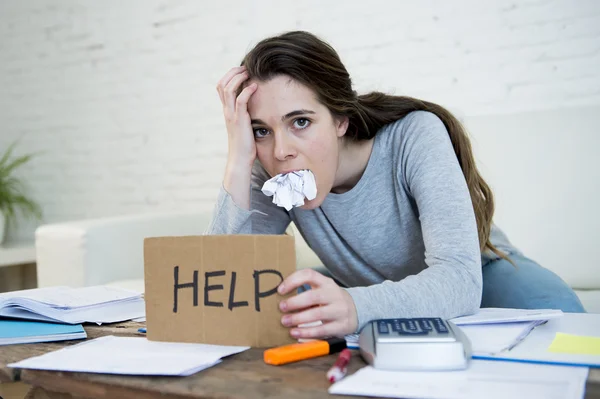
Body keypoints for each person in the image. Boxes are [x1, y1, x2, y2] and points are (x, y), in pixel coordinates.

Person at [207, 31, 585, 339]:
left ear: (341, 119)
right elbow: (220, 287)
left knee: (570, 328)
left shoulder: (414, 136)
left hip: (483, 276)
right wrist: (238, 159)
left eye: (301, 121)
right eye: (261, 130)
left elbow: (459, 280)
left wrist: (357, 307)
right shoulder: (268, 162)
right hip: (373, 290)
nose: (283, 150)